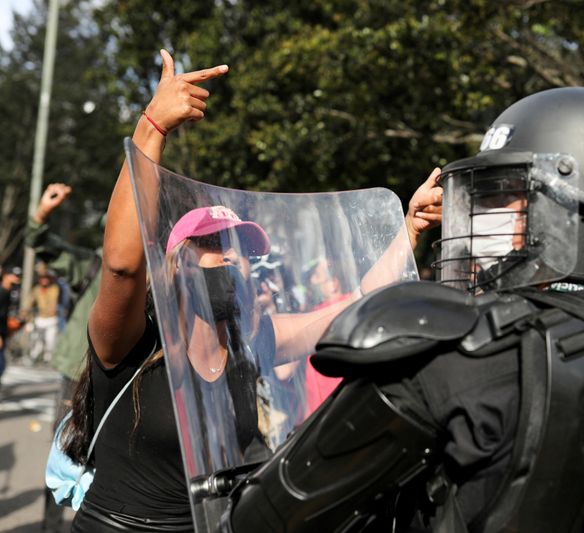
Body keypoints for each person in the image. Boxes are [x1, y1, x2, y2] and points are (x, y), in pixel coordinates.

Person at [222, 87, 584, 532]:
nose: (475, 214)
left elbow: (263, 518)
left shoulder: (456, 357)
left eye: (506, 196)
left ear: (573, 209)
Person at [59, 49, 442, 531]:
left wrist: (407, 230)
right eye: (217, 245)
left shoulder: (249, 343)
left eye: (242, 248)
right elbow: (120, 267)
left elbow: (353, 307)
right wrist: (151, 128)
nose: (234, 258)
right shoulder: (132, 343)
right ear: (176, 263)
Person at [25, 182, 104, 532]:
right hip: (77, 371)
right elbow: (41, 243)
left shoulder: (159, 274)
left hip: (124, 379)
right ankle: (51, 527)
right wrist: (43, 212)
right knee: (65, 455)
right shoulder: (93, 264)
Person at [22, 264, 61, 365]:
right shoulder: (36, 289)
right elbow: (29, 302)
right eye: (42, 279)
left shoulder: (54, 288)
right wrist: (26, 315)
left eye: (46, 279)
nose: (44, 281)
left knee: (50, 340)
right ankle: (33, 357)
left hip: (52, 318)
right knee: (37, 340)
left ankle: (48, 357)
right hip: (40, 319)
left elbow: (54, 302)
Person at [0, 267, 21, 384]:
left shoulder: (10, 293)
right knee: (1, 364)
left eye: (18, 276)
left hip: (4, 332)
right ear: (6, 276)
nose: (16, 279)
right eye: (13, 276)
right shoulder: (2, 292)